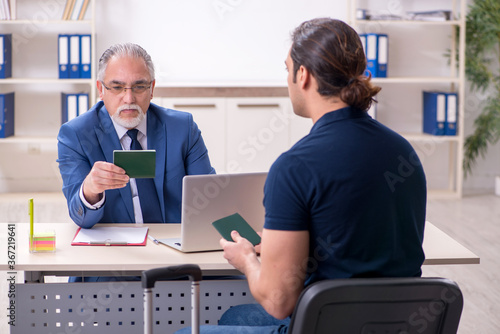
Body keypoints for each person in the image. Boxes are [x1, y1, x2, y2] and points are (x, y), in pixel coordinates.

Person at [175, 18, 426, 334]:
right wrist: (286, 242)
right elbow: (358, 237)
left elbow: (279, 301)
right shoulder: (404, 152)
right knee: (234, 317)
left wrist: (246, 261)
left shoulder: (295, 167)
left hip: (326, 325)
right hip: (398, 324)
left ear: (303, 75)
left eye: (287, 69)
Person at [57, 43, 215, 230]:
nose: (129, 98)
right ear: (101, 89)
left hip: (173, 242)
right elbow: (81, 218)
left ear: (152, 88)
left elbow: (210, 198)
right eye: (117, 87)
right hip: (115, 248)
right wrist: (90, 190)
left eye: (139, 86)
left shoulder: (182, 128)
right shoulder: (76, 135)